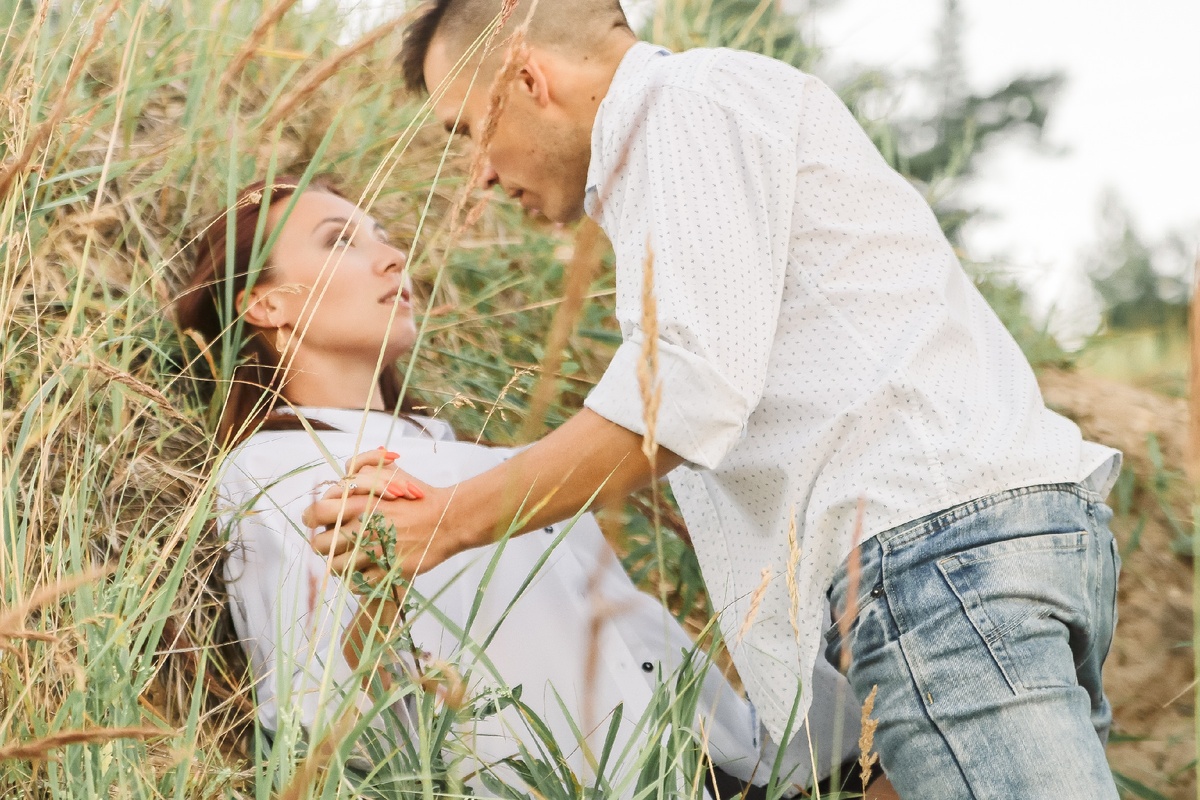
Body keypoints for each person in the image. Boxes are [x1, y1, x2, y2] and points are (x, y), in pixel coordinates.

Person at [304, 3, 1125, 798]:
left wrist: (454, 518)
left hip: (938, 563)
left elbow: (684, 390)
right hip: (954, 563)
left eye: (467, 133)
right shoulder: (708, 125)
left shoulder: (683, 106)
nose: (478, 174)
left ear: (528, 77)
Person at [173, 176, 888, 798]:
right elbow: (309, 714)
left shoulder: (475, 453)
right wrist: (375, 618)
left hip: (716, 766)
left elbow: (630, 637)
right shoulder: (276, 472)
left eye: (382, 235)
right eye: (340, 242)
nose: (392, 255)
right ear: (264, 306)